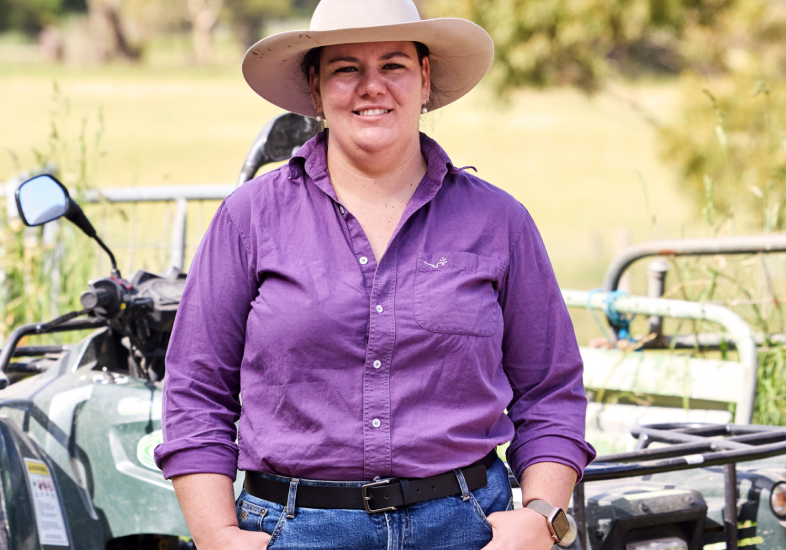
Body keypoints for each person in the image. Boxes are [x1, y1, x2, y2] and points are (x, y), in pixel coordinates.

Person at [153, 0, 597, 549]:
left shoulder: (498, 221)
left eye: (393, 65)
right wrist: (216, 535)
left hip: (468, 529)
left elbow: (551, 390)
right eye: (346, 69)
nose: (372, 87)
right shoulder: (248, 219)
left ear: (425, 79)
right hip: (293, 531)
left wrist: (541, 516)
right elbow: (197, 391)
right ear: (314, 88)